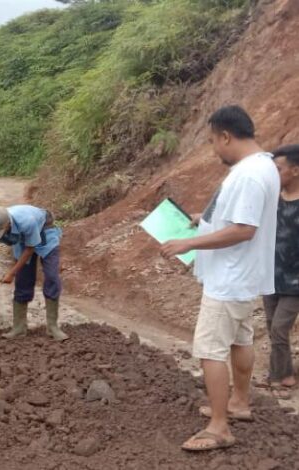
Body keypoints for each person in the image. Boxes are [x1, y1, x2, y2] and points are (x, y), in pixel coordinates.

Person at [160, 105, 280, 451]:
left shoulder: (249, 175)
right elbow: (237, 218)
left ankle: (219, 427)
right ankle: (239, 403)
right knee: (240, 340)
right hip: (242, 277)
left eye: (213, 141)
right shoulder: (262, 166)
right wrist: (205, 219)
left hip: (229, 279)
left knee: (210, 349)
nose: (214, 150)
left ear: (226, 136)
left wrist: (189, 242)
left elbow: (244, 229)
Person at [0, 205, 68, 341]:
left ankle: (52, 327)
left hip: (44, 231)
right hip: (23, 240)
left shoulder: (26, 221)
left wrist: (11, 273)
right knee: (23, 280)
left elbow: (30, 249)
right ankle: (19, 328)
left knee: (52, 277)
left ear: (8, 224)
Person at [262, 144, 299, 399]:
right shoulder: (272, 199)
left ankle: (279, 378)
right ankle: (282, 374)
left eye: (278, 169)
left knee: (278, 328)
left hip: (296, 281)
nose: (274, 174)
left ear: (295, 170)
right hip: (271, 275)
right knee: (271, 326)